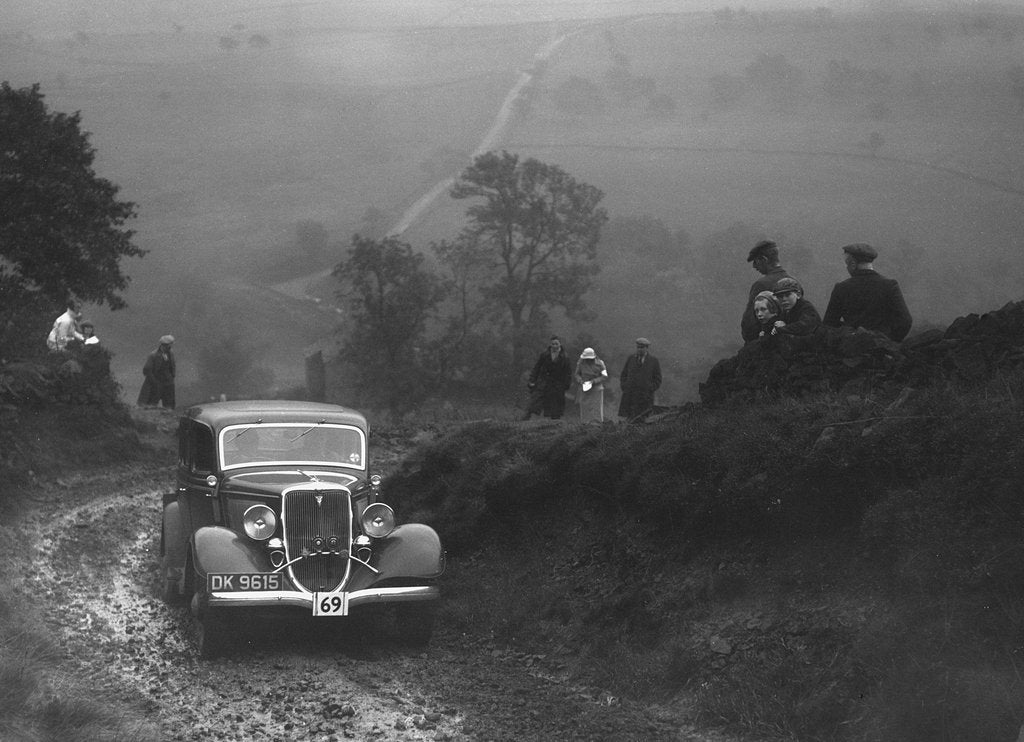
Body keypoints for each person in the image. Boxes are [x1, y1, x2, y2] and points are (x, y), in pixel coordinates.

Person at [823, 243, 913, 341]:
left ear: (853, 264)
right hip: (882, 351)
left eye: (846, 264)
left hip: (851, 349)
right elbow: (905, 321)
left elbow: (829, 324)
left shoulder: (841, 288)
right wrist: (890, 341)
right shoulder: (890, 285)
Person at [741, 240, 791, 343]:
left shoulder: (761, 284)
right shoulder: (793, 282)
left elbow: (749, 325)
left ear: (764, 259)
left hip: (767, 346)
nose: (754, 266)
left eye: (755, 262)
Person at [523, 335, 573, 420]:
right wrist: (532, 379)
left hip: (558, 383)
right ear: (550, 344)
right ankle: (526, 417)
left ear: (560, 344)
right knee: (535, 399)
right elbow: (537, 368)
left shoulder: (565, 357)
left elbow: (568, 372)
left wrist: (566, 384)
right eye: (553, 344)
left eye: (556, 344)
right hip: (544, 381)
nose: (554, 346)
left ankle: (555, 422)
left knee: (556, 403)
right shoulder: (545, 355)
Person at [618, 337, 662, 422]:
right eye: (638, 347)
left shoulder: (653, 361)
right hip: (630, 395)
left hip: (645, 396)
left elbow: (658, 379)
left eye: (642, 348)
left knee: (644, 418)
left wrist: (650, 388)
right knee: (630, 418)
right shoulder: (631, 359)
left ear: (647, 348)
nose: (639, 350)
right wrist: (624, 386)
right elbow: (624, 374)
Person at [138, 335, 176, 409]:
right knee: (152, 404)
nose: (170, 347)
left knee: (169, 405)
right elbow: (146, 370)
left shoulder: (170, 353)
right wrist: (154, 382)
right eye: (168, 346)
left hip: (168, 383)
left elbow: (173, 365)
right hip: (157, 383)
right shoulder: (153, 355)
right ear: (163, 345)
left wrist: (172, 376)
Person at [574, 347, 608, 423]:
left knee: (596, 408)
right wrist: (580, 380)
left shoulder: (600, 363)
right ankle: (585, 424)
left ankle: (597, 424)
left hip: (597, 389)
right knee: (585, 408)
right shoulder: (580, 363)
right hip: (585, 388)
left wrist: (594, 381)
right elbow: (577, 374)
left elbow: (604, 376)